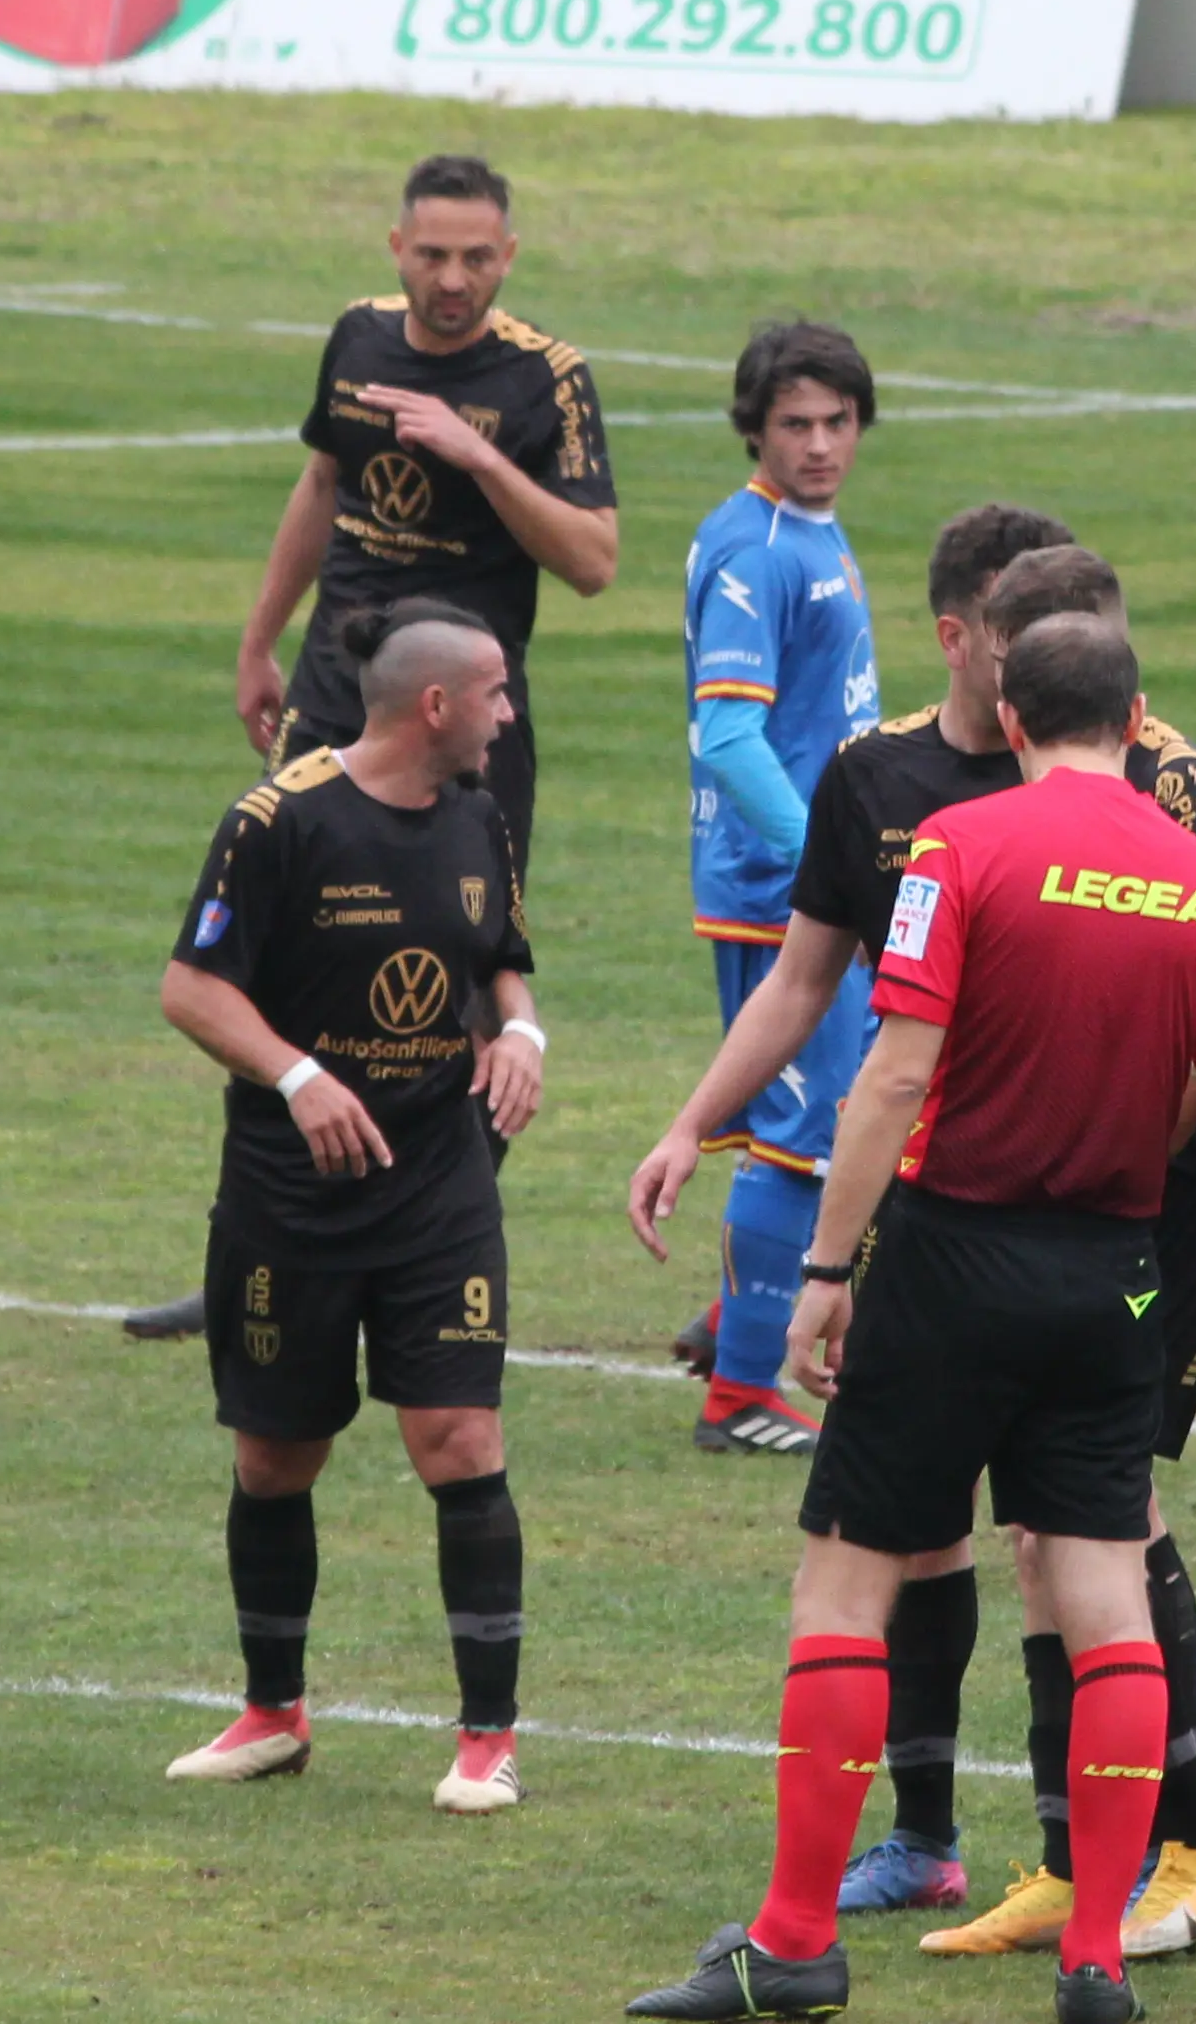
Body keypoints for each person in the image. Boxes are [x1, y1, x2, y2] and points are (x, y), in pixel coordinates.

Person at [630, 611, 1196, 2024]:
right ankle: (1099, 1955)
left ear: (1003, 701)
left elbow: (893, 1068)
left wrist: (823, 1267)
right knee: (1107, 1596)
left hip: (951, 1262)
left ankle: (796, 1942)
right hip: (1116, 1276)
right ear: (1138, 713)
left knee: (847, 1585)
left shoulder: (957, 853)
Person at [132, 151, 613, 1346]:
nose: (453, 278)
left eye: (477, 258)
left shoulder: (548, 379)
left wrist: (477, 454)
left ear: (509, 258)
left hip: (467, 729)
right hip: (336, 701)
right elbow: (321, 486)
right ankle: (256, 1243)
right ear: (395, 249)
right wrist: (259, 639)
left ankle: (431, 1244)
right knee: (270, 967)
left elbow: (593, 560)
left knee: (455, 974)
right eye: (432, 254)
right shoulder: (356, 338)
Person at [154, 602, 546, 1819]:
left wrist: (522, 1026)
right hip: (292, 1194)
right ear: (434, 707)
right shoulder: (279, 822)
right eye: (494, 692)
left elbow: (497, 953)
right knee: (276, 1456)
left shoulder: (478, 816)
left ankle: (489, 1737)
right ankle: (274, 1712)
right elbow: (190, 988)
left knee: (461, 1443)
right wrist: (299, 1074)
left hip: (439, 1183)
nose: (508, 714)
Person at [672, 319, 883, 1452]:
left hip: (803, 882)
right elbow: (730, 739)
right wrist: (827, 864)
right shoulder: (756, 551)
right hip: (781, 890)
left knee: (819, 1122)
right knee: (802, 1136)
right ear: (753, 426)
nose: (817, 444)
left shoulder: (806, 533)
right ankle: (742, 1395)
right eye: (794, 423)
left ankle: (732, 1320)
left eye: (836, 422)